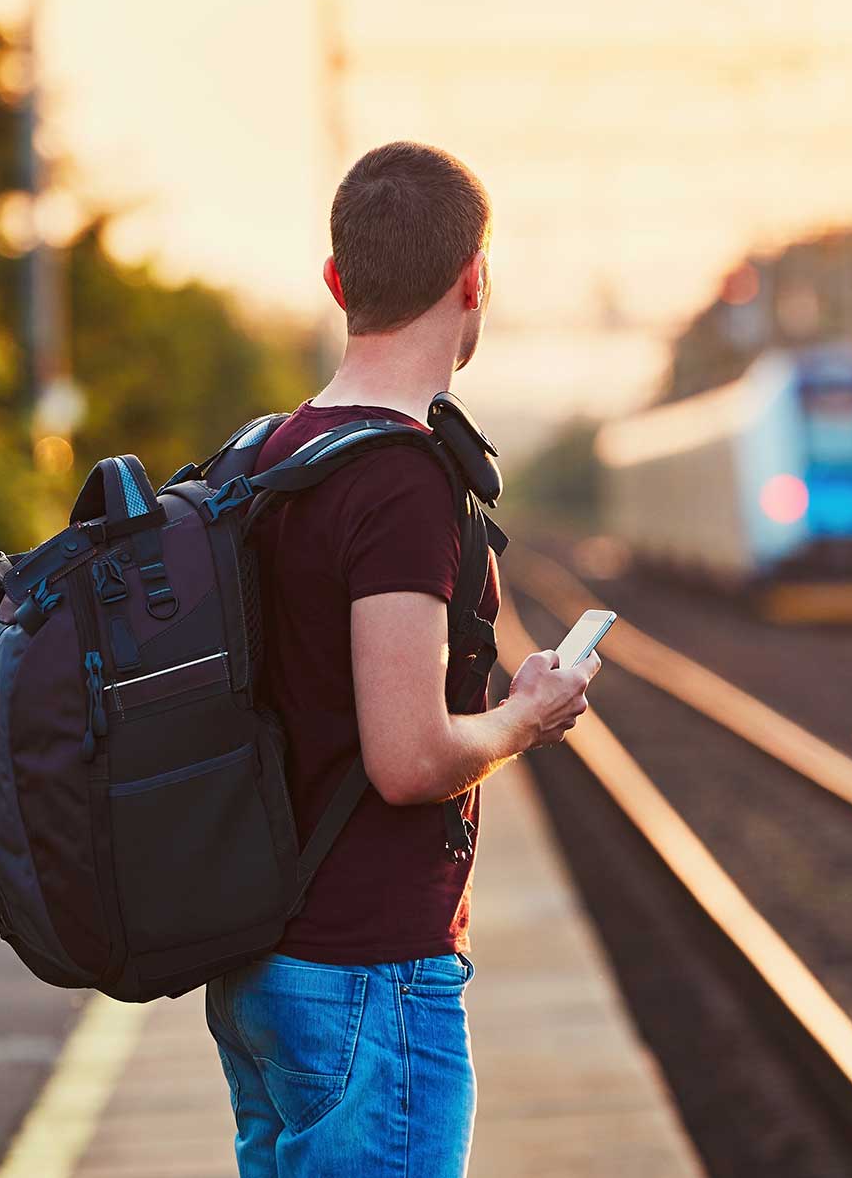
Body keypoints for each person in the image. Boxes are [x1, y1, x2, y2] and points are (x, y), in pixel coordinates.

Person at [204, 141, 599, 1178]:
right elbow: (408, 758)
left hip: (262, 967)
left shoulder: (267, 454)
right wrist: (527, 713)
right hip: (364, 977)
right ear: (474, 280)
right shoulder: (396, 479)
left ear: (337, 282)